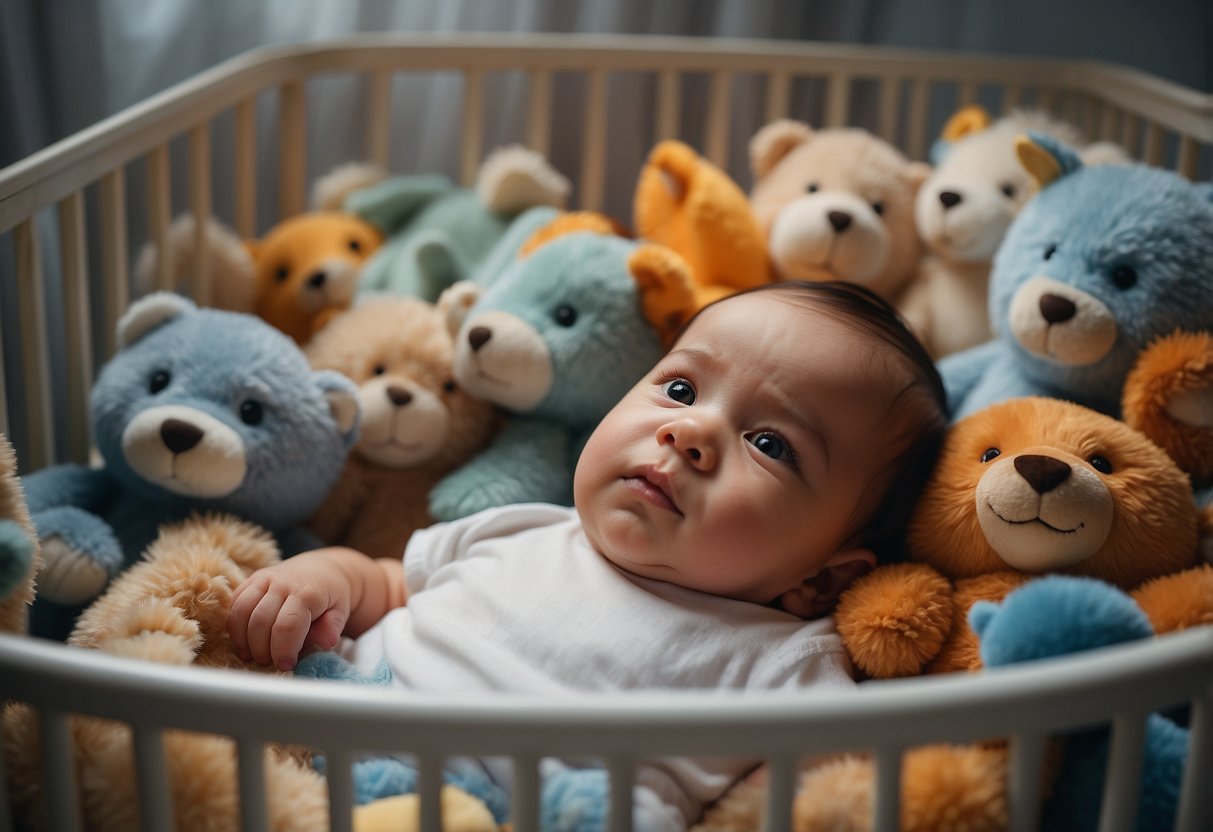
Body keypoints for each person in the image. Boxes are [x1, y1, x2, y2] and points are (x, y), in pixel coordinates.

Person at [226, 280, 949, 831]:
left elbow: (818, 791)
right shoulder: (521, 529)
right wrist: (320, 580)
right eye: (678, 387)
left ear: (820, 578)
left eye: (771, 444)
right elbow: (386, 581)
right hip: (311, 742)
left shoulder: (781, 662)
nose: (690, 431)